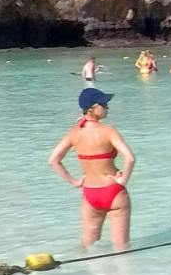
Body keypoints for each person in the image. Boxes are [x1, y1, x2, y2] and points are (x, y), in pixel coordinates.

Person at [49, 87, 134, 251]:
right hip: (113, 191)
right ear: (91, 109)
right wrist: (123, 180)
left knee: (87, 248)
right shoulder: (108, 131)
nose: (107, 107)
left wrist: (74, 182)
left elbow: (54, 160)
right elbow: (130, 158)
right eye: (103, 104)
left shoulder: (74, 133)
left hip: (90, 194)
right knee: (122, 248)